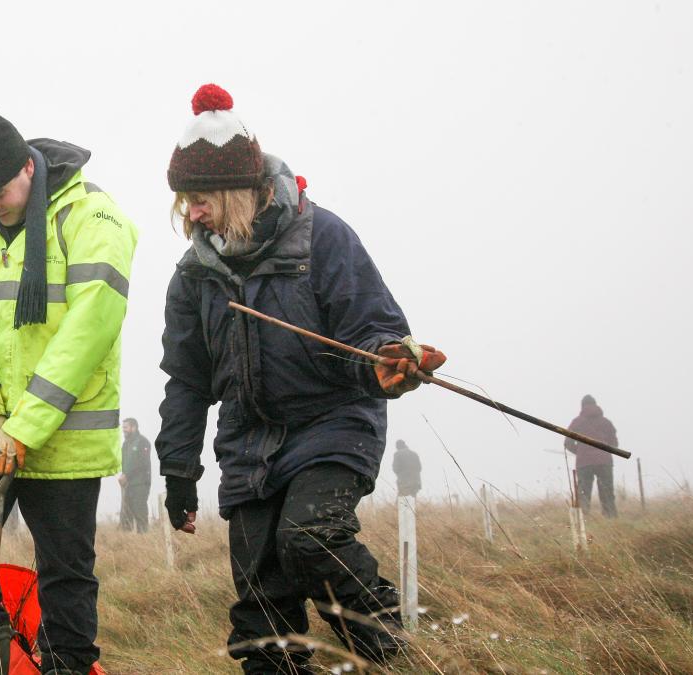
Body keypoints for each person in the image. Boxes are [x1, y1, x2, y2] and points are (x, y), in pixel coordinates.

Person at [155, 84, 447, 673]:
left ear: (241, 190)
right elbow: (187, 383)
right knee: (261, 607)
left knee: (310, 537)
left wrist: (386, 362)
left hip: (332, 424)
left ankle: (386, 652)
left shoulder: (323, 238)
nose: (192, 212)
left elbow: (373, 330)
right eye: (185, 199)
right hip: (249, 441)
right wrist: (179, 472)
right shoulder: (193, 277)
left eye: (203, 197)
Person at [0, 103, 137, 675]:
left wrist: (26, 426)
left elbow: (89, 330)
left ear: (26, 166)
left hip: (66, 435)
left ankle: (67, 667)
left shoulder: (93, 215)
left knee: (66, 573)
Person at [565, 394, 619, 517]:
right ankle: (611, 519)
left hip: (584, 462)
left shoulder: (577, 422)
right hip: (604, 462)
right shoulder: (606, 422)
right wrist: (603, 452)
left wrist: (579, 451)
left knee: (584, 493)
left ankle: (583, 520)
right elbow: (614, 444)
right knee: (607, 493)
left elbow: (567, 443)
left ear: (582, 406)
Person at [118, 418, 152, 533]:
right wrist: (123, 476)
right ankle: (127, 545)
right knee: (126, 517)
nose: (124, 430)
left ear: (134, 427)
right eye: (123, 428)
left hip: (140, 484)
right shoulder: (125, 444)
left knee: (140, 514)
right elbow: (124, 463)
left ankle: (143, 543)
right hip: (127, 485)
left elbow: (142, 463)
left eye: (126, 427)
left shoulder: (143, 442)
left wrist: (127, 475)